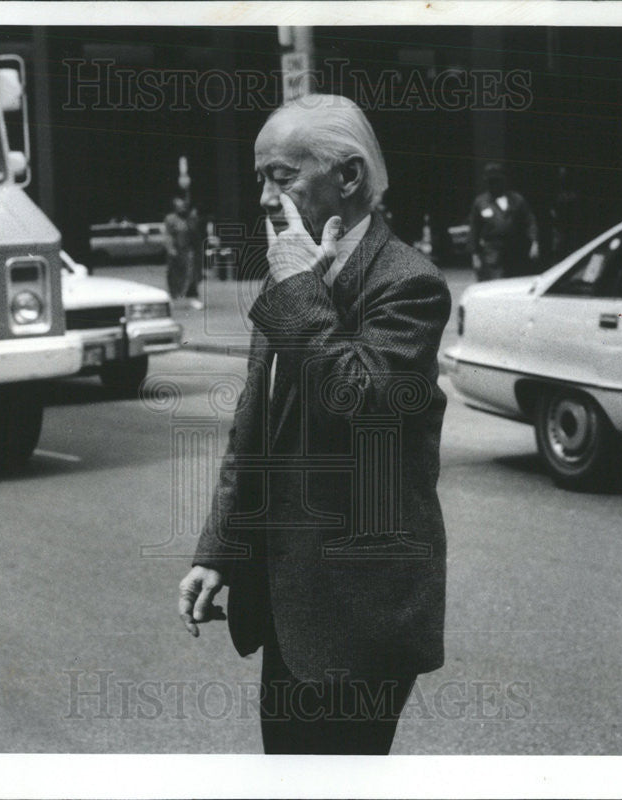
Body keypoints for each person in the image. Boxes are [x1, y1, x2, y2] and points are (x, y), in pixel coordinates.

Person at [177, 95, 451, 755]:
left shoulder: (408, 284)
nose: (267, 198)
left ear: (349, 178)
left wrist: (300, 290)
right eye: (261, 179)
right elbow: (256, 427)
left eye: (283, 176)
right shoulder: (291, 271)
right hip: (290, 603)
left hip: (359, 612)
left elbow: (357, 405)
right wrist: (220, 551)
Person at [467, 162, 539, 280]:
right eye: (490, 181)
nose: (493, 184)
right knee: (495, 285)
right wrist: (475, 255)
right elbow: (474, 229)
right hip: (492, 253)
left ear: (503, 181)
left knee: (515, 285)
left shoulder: (517, 199)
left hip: (515, 251)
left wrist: (534, 242)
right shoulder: (480, 202)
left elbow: (530, 222)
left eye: (497, 181)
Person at [163, 194, 203, 310]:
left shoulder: (190, 218)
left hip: (188, 251)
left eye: (184, 206)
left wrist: (193, 218)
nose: (182, 208)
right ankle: (172, 297)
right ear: (174, 207)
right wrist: (170, 249)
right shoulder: (170, 219)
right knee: (174, 276)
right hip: (176, 251)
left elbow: (195, 235)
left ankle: (193, 298)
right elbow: (168, 235)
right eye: (179, 206)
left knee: (191, 275)